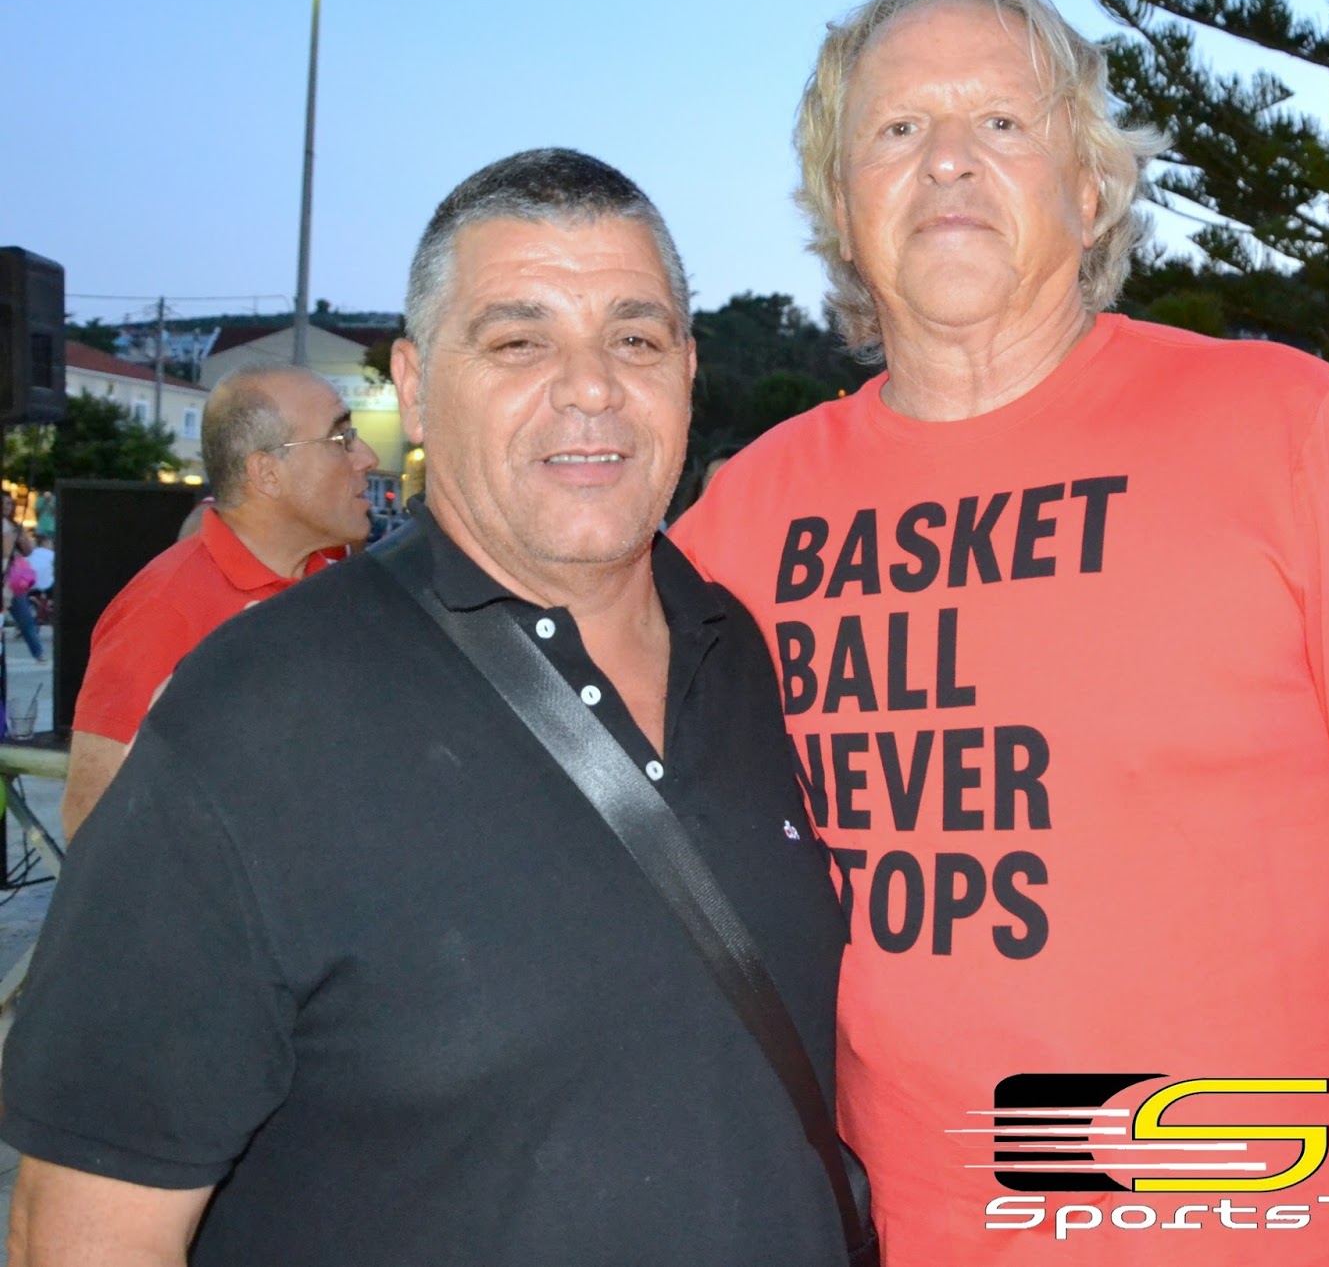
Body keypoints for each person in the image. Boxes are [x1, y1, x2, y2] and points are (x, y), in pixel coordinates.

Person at [672, 0, 1329, 1266]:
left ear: (1090, 191)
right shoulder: (738, 520)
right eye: (898, 128)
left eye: (1002, 123)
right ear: (842, 207)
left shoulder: (1285, 429)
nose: (948, 160)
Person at [0, 149, 850, 1267]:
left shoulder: (752, 659)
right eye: (519, 342)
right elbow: (83, 1232)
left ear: (687, 372)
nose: (591, 388)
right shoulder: (255, 718)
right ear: (414, 383)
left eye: (636, 340)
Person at [58, 364, 379, 840]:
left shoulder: (334, 581)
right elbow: (91, 830)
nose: (368, 457)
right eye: (341, 439)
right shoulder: (163, 610)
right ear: (266, 473)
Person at [2, 491, 44, 662]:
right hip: (7, 575)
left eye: (9, 504)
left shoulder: (13, 526)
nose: (6, 507)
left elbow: (28, 551)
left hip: (11, 578)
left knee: (24, 617)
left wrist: (20, 537)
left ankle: (38, 652)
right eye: (3, 504)